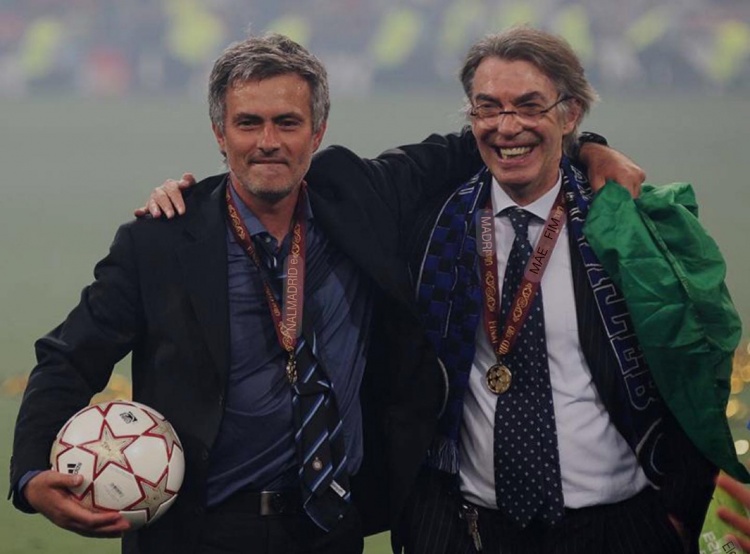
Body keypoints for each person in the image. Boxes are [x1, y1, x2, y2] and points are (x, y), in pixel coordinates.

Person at [8, 32, 641, 554]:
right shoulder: (161, 239)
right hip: (198, 532)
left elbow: (493, 137)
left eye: (288, 122)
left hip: (330, 529)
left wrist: (590, 149)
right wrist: (33, 473)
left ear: (318, 131)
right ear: (219, 133)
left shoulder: (359, 195)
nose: (268, 141)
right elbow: (68, 357)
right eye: (248, 123)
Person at [141, 28, 747, 554]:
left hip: (620, 527)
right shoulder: (425, 218)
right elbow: (271, 175)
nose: (506, 126)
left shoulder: (629, 225)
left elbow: (696, 364)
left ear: (570, 114)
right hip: (464, 529)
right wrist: (189, 200)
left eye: (529, 106)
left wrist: (676, 514)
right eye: (487, 108)